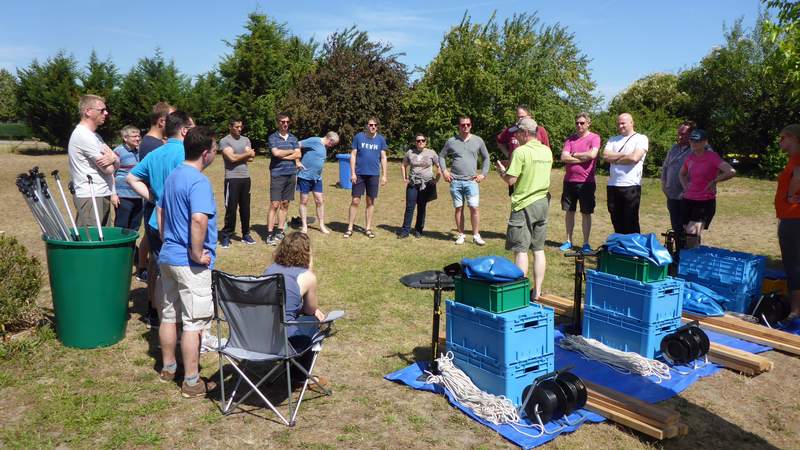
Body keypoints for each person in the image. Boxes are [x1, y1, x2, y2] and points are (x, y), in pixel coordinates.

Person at [156, 126, 219, 397]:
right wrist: (195, 253)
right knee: (193, 322)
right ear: (206, 154)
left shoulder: (172, 176)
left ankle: (169, 367)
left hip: (168, 256)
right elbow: (199, 219)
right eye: (215, 150)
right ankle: (192, 382)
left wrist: (165, 239)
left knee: (169, 315)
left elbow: (161, 212)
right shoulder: (198, 181)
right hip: (189, 262)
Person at [127, 111, 195, 330]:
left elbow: (131, 177)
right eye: (192, 128)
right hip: (177, 222)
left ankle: (155, 314)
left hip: (155, 221)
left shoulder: (156, 153)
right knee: (182, 271)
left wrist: (153, 196)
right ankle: (180, 317)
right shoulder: (186, 153)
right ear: (184, 130)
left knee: (157, 266)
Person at [496, 117, 553, 300]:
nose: (516, 137)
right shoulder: (547, 151)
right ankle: (537, 292)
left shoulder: (521, 152)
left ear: (525, 133)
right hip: (543, 202)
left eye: (518, 133)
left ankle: (519, 293)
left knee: (521, 249)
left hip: (524, 204)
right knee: (538, 249)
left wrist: (501, 172)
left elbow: (511, 180)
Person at [263, 232, 328, 387]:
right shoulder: (307, 276)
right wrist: (310, 269)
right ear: (307, 253)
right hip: (284, 339)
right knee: (313, 321)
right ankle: (300, 376)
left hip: (259, 336)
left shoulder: (269, 270)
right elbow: (310, 310)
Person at [136, 101, 175, 282]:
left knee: (156, 255)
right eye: (172, 119)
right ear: (161, 121)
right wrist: (154, 197)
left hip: (156, 206)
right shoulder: (153, 145)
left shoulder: (154, 142)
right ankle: (154, 305)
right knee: (158, 259)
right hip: (157, 207)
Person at [67, 94, 119, 227]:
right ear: (88, 111)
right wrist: (113, 159)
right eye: (102, 110)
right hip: (91, 196)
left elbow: (116, 162)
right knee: (91, 239)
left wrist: (114, 158)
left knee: (103, 238)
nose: (106, 113)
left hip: (101, 193)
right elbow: (108, 169)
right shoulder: (83, 136)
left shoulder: (95, 136)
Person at [439, 116, 490, 245]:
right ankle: (461, 234)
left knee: (474, 208)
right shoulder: (451, 141)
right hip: (455, 181)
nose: (465, 126)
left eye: (468, 124)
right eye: (463, 125)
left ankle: (476, 235)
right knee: (459, 208)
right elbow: (441, 156)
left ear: (471, 125)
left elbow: (486, 158)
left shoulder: (478, 140)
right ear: (459, 126)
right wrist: (444, 171)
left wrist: (483, 174)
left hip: (472, 181)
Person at [678, 129, 736, 241]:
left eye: (698, 141)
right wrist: (686, 187)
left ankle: (692, 256)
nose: (694, 143)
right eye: (692, 140)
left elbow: (731, 171)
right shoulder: (690, 157)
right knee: (687, 234)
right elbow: (681, 174)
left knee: (692, 233)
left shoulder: (712, 156)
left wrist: (715, 181)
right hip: (688, 200)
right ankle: (692, 256)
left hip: (704, 201)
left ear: (705, 142)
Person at [558, 112, 601, 252]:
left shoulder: (594, 138)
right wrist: (583, 158)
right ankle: (568, 241)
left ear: (588, 123)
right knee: (569, 211)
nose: (579, 125)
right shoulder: (570, 140)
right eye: (577, 122)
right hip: (569, 181)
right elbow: (563, 157)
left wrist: (574, 155)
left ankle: (586, 243)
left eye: (582, 123)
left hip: (586, 182)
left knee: (586, 212)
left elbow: (592, 155)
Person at [602, 113, 649, 234]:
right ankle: (620, 247)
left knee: (631, 220)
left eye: (623, 123)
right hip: (613, 185)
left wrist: (615, 158)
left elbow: (634, 158)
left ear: (632, 123)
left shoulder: (641, 138)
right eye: (618, 123)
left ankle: (633, 249)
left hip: (630, 185)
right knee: (616, 219)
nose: (620, 125)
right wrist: (624, 155)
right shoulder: (613, 139)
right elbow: (606, 156)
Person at [345, 118, 388, 238]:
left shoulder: (381, 139)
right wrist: (352, 173)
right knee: (355, 201)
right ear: (367, 126)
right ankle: (350, 228)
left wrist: (384, 175)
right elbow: (353, 155)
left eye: (375, 125)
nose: (372, 127)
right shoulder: (359, 137)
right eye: (370, 125)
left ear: (377, 127)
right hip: (359, 174)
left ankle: (368, 228)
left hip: (374, 174)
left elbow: (383, 157)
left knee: (370, 201)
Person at [112, 125, 145, 278]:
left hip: (139, 196)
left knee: (134, 229)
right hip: (123, 195)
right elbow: (110, 174)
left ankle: (131, 256)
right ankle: (117, 258)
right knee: (121, 228)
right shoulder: (118, 151)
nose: (138, 138)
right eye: (134, 136)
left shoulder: (142, 151)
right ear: (125, 138)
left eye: (138, 135)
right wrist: (113, 194)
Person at [775, 124, 800, 318]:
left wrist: (791, 194)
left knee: (793, 264)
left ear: (792, 137)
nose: (780, 141)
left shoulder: (797, 159)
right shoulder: (793, 159)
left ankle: (795, 311)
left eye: (782, 138)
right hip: (791, 217)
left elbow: (798, 176)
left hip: (793, 218)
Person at [219, 118, 256, 248]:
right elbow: (232, 158)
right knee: (231, 209)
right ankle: (226, 235)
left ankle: (246, 234)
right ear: (230, 127)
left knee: (245, 208)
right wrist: (246, 153)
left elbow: (251, 158)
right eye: (237, 127)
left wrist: (244, 154)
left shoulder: (246, 140)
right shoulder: (225, 141)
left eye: (241, 127)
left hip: (245, 178)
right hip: (232, 178)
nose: (239, 129)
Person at [497, 106, 550, 196]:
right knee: (516, 196)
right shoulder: (512, 130)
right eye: (518, 117)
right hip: (515, 170)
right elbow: (500, 141)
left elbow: (547, 150)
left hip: (534, 173)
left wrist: (501, 171)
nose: (519, 119)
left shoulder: (539, 130)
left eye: (522, 117)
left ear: (530, 116)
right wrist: (509, 156)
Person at [266, 113, 301, 245]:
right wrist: (291, 152)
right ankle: (269, 234)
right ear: (278, 123)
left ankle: (280, 231)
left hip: (291, 173)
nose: (285, 124)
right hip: (277, 174)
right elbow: (275, 153)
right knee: (275, 204)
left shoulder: (293, 138)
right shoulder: (273, 137)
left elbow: (299, 153)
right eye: (282, 122)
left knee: (285, 203)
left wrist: (283, 155)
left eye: (287, 122)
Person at [297, 131, 340, 234]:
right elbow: (297, 144)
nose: (332, 146)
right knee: (304, 201)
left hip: (317, 179)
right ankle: (304, 226)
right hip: (305, 177)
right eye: (333, 143)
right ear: (330, 139)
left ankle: (321, 225)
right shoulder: (314, 141)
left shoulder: (324, 147)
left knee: (320, 201)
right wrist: (297, 161)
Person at [398, 133, 440, 238]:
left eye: (422, 140)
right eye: (418, 141)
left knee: (422, 207)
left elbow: (439, 166)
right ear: (415, 142)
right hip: (413, 183)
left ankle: (418, 230)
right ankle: (405, 231)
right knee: (409, 207)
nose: (420, 142)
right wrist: (405, 178)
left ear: (426, 142)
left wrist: (436, 179)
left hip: (426, 184)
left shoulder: (431, 153)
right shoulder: (410, 152)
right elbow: (403, 165)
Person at [661, 121, 696, 234]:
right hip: (672, 196)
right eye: (678, 133)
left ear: (691, 134)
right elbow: (665, 167)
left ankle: (691, 251)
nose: (679, 136)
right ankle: (679, 251)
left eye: (683, 134)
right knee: (677, 228)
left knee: (691, 231)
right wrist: (664, 186)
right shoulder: (674, 148)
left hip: (689, 197)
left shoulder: (697, 149)